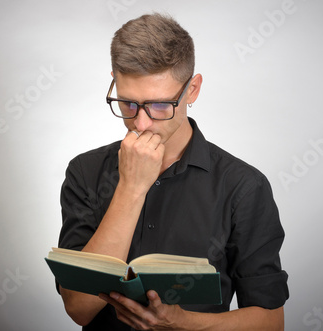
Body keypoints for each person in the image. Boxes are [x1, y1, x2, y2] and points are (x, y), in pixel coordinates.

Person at [56, 13, 289, 330]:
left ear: (192, 90)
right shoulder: (85, 171)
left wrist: (184, 323)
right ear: (114, 80)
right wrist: (131, 188)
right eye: (127, 103)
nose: (141, 124)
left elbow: (271, 322)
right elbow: (79, 308)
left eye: (161, 106)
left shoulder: (243, 186)